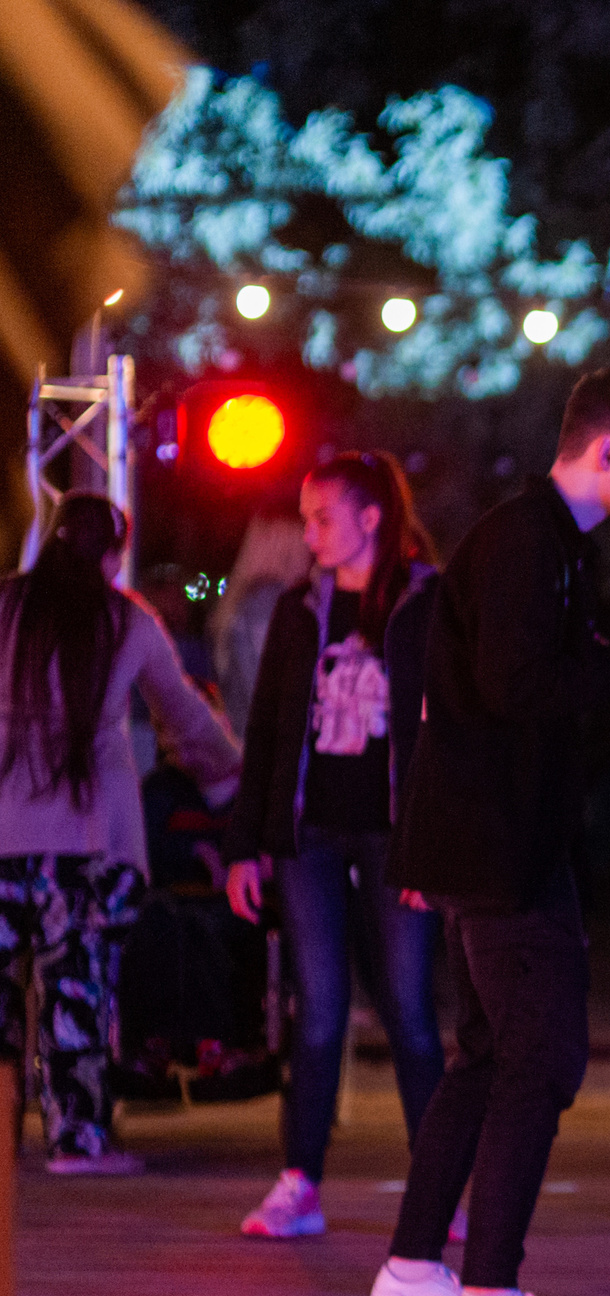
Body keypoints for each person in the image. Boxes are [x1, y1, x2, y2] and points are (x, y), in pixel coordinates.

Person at [363, 364, 610, 1296]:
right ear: (608, 448)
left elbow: (500, 681)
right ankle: (489, 1293)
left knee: (490, 1055)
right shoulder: (526, 541)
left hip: (493, 838)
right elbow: (513, 686)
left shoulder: (543, 543)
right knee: (539, 1060)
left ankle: (416, 1268)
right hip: (501, 847)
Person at [224, 452, 444, 1239]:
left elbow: (450, 731)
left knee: (410, 1010)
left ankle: (438, 1184)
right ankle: (299, 1184)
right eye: (306, 518)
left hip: (396, 835)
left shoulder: (425, 603)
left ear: (371, 516)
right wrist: (246, 844)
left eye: (323, 517)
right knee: (317, 1009)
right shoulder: (299, 608)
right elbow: (268, 727)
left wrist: (437, 847)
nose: (310, 533)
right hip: (309, 832)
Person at [1, 494, 239, 1170]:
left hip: (2, 831)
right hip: (88, 840)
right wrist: (232, 783)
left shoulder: (5, 605)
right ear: (111, 555)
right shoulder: (126, 620)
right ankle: (77, 1140)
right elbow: (185, 720)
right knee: (75, 992)